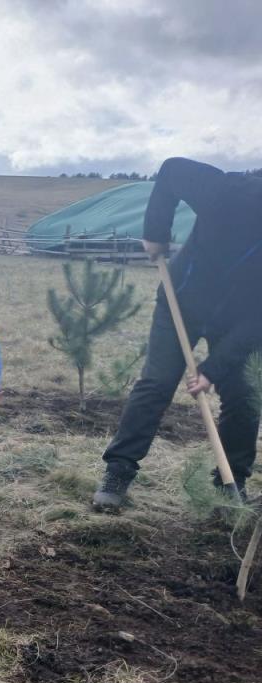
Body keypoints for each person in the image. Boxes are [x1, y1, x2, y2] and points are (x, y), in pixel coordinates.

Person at [94, 158, 262, 511]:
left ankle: (231, 483)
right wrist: (156, 233)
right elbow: (172, 170)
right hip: (181, 301)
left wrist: (212, 370)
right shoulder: (228, 192)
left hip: (238, 320)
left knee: (244, 395)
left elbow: (256, 320)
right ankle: (118, 471)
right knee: (156, 383)